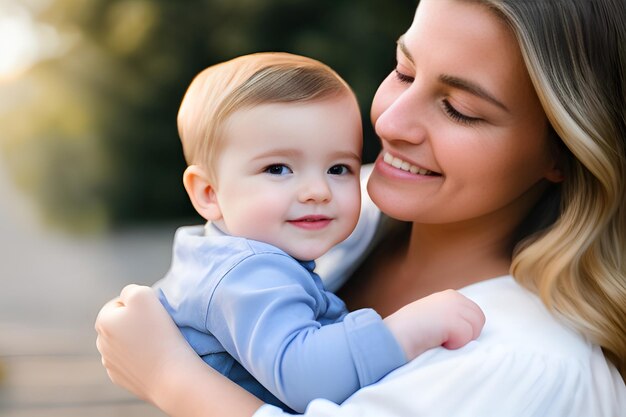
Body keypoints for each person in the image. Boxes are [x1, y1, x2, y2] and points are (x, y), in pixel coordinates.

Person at [95, 0, 626, 416]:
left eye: (459, 110)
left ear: (563, 149)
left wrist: (169, 377)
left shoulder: (523, 363)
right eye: (403, 71)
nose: (390, 123)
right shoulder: (352, 210)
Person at [138, 51, 485, 413]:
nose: (317, 190)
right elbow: (304, 378)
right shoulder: (249, 273)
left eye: (338, 168)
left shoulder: (220, 253)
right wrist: (407, 329)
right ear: (208, 193)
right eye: (277, 169)